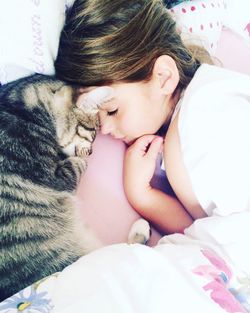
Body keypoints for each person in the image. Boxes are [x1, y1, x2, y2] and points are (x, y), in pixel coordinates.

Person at [55, 0, 250, 235]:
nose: (104, 128)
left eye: (112, 110)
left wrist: (143, 196)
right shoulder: (209, 91)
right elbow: (212, 235)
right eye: (97, 118)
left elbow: (225, 244)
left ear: (164, 77)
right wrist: (142, 195)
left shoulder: (199, 125)